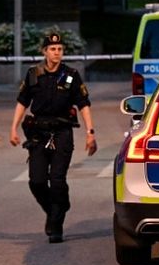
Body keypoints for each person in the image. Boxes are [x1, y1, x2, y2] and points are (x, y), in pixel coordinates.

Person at [8, 33, 97, 244]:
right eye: (52, 49)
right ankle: (55, 209)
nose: (57, 52)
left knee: (57, 180)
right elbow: (22, 102)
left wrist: (90, 133)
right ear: (44, 52)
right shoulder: (33, 74)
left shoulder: (71, 75)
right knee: (36, 181)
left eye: (60, 49)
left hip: (62, 133)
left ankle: (56, 224)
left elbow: (83, 104)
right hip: (39, 134)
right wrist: (12, 129)